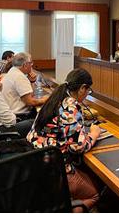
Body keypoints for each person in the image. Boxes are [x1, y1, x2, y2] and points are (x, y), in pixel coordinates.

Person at [27, 68, 101, 212]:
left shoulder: (54, 98)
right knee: (94, 194)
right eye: (88, 91)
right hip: (54, 170)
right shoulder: (70, 107)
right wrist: (94, 133)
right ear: (82, 88)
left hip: (35, 163)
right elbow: (78, 147)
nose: (87, 95)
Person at [1, 52, 48, 120]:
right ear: (25, 65)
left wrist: (32, 81)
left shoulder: (13, 72)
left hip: (12, 113)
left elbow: (30, 95)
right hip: (19, 116)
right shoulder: (19, 77)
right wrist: (46, 99)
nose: (32, 65)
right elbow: (30, 102)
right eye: (31, 63)